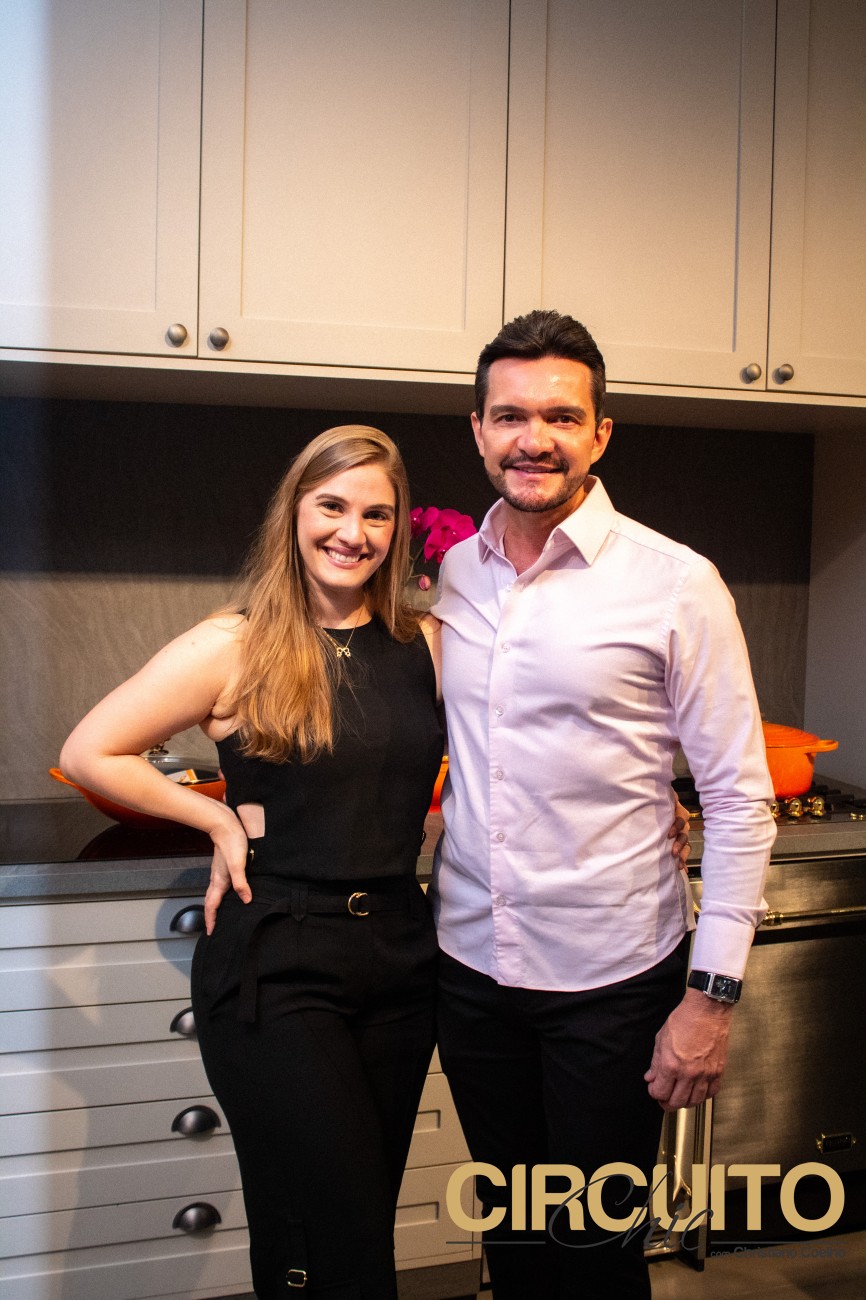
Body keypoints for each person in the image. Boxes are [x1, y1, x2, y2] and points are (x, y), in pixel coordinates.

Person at [430, 311, 777, 1298]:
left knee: (593, 1254)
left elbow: (738, 798)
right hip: (472, 969)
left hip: (611, 980)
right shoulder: (457, 572)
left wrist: (708, 999)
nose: (531, 438)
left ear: (600, 432)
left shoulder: (675, 584)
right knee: (510, 1241)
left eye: (559, 416)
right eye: (509, 416)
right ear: (478, 429)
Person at [60, 426, 446, 1299]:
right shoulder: (234, 644)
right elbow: (91, 751)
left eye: (377, 514)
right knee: (345, 1235)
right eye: (332, 506)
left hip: (400, 953)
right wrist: (213, 819)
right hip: (276, 958)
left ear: (398, 528)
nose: (353, 532)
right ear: (295, 513)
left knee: (322, 1222)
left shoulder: (426, 643)